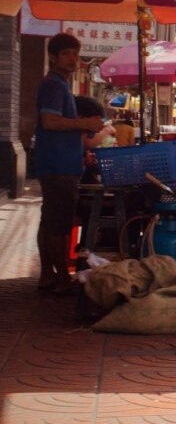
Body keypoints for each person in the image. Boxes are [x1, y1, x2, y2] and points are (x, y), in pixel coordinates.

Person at [34, 34, 105, 293]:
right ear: (53, 57)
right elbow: (49, 122)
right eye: (66, 54)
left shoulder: (60, 85)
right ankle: (61, 278)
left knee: (49, 221)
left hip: (57, 162)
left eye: (75, 53)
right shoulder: (53, 85)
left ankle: (46, 275)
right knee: (59, 223)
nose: (73, 58)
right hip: (58, 165)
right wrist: (84, 124)